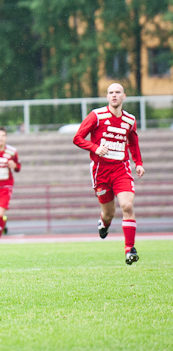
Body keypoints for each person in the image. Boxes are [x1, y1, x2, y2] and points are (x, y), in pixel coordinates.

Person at [73, 83, 145, 265]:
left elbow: (133, 143)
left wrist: (138, 163)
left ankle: (130, 249)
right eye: (111, 93)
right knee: (109, 213)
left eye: (117, 92)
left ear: (124, 96)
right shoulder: (96, 116)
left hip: (121, 170)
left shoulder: (130, 120)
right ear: (107, 97)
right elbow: (77, 138)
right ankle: (104, 224)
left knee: (127, 206)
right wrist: (95, 148)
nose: (114, 95)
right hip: (101, 172)